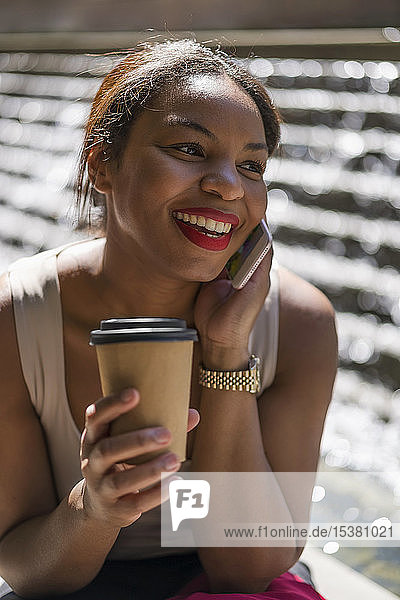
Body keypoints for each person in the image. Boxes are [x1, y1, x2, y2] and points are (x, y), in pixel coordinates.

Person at [0, 39, 337, 599]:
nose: (228, 185)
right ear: (102, 164)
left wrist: (227, 349)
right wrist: (96, 510)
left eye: (251, 165)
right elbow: (26, 571)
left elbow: (248, 569)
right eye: (188, 149)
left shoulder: (299, 323)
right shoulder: (16, 318)